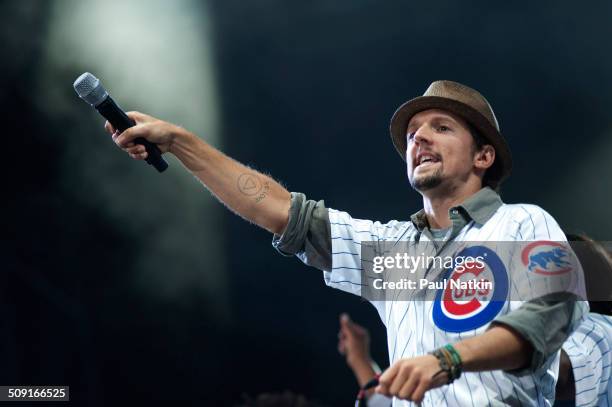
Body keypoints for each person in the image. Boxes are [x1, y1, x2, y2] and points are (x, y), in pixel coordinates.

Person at [105, 80, 586, 405]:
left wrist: (449, 359)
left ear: (484, 155)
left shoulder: (520, 223)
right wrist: (181, 142)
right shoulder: (400, 258)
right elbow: (282, 212)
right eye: (414, 134)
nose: (420, 139)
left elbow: (550, 313)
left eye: (441, 128)